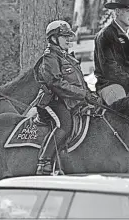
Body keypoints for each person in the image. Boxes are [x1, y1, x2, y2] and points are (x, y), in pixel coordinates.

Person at [35, 20, 100, 175]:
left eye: (69, 36)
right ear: (53, 39)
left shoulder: (69, 58)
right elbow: (56, 83)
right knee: (65, 124)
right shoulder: (50, 57)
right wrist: (82, 94)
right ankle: (44, 162)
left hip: (70, 101)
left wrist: (90, 95)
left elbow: (80, 82)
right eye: (64, 36)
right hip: (52, 101)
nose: (68, 39)